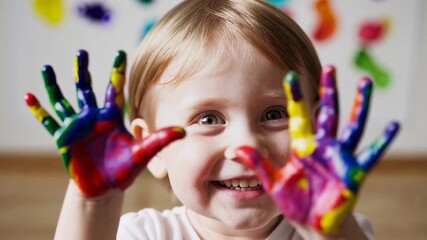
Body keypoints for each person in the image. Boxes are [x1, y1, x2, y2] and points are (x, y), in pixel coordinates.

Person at [25, 0, 400, 239]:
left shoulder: (337, 230)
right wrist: (95, 201)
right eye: (208, 118)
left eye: (274, 114)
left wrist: (331, 233)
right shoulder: (143, 234)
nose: (247, 145)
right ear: (152, 149)